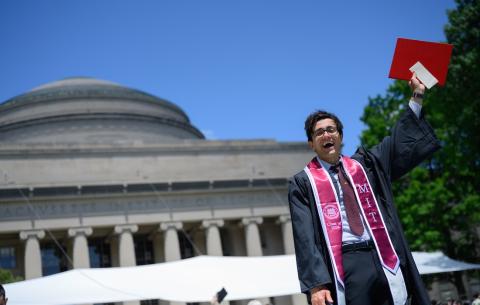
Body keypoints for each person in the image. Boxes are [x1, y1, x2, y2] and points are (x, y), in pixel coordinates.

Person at [288, 75, 440, 305]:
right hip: (346, 264)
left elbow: (397, 141)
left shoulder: (364, 165)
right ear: (311, 143)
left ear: (340, 136)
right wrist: (316, 283)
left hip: (384, 255)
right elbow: (304, 236)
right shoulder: (303, 183)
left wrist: (417, 95)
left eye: (331, 130)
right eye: (319, 132)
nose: (326, 135)